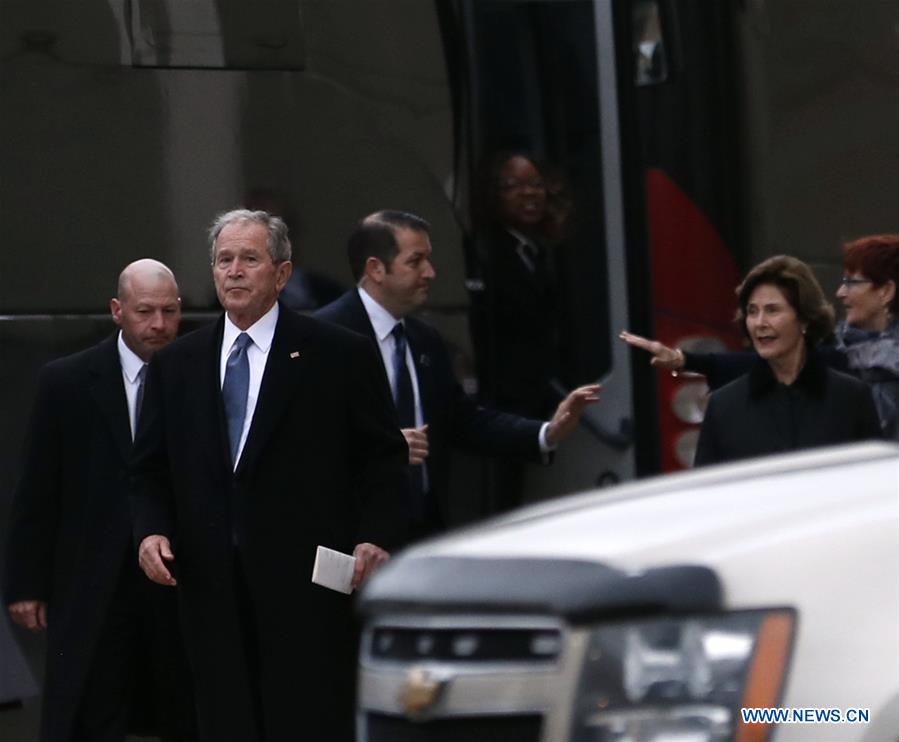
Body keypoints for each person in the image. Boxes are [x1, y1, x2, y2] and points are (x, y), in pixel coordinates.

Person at [130, 209, 409, 742]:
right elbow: (148, 469)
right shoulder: (177, 364)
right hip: (209, 588)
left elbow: (383, 459)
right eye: (224, 260)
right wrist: (150, 530)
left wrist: (375, 536)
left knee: (305, 721)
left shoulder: (337, 354)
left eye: (249, 259)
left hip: (307, 588)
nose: (234, 270)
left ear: (281, 273)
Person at [314, 210, 600, 538]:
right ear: (376, 269)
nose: (430, 272)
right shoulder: (323, 337)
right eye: (416, 261)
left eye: (428, 259)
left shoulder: (424, 339)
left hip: (420, 530)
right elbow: (304, 440)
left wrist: (547, 431)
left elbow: (461, 420)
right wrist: (382, 450)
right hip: (351, 535)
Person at [2, 259, 195, 742]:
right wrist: (26, 582)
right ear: (117, 310)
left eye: (169, 312)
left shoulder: (201, 376)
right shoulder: (66, 380)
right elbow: (38, 487)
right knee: (94, 707)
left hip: (177, 572)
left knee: (181, 704)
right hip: (92, 574)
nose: (158, 325)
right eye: (144, 311)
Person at [621, 234, 899, 438]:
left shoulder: (851, 364)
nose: (841, 293)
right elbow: (774, 363)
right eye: (753, 312)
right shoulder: (838, 353)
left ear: (886, 291)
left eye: (852, 282)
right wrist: (683, 360)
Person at [691, 255, 881, 465]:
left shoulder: (851, 398)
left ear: (804, 319)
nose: (759, 323)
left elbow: (875, 483)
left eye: (772, 310)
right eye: (752, 311)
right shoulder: (723, 406)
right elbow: (706, 493)